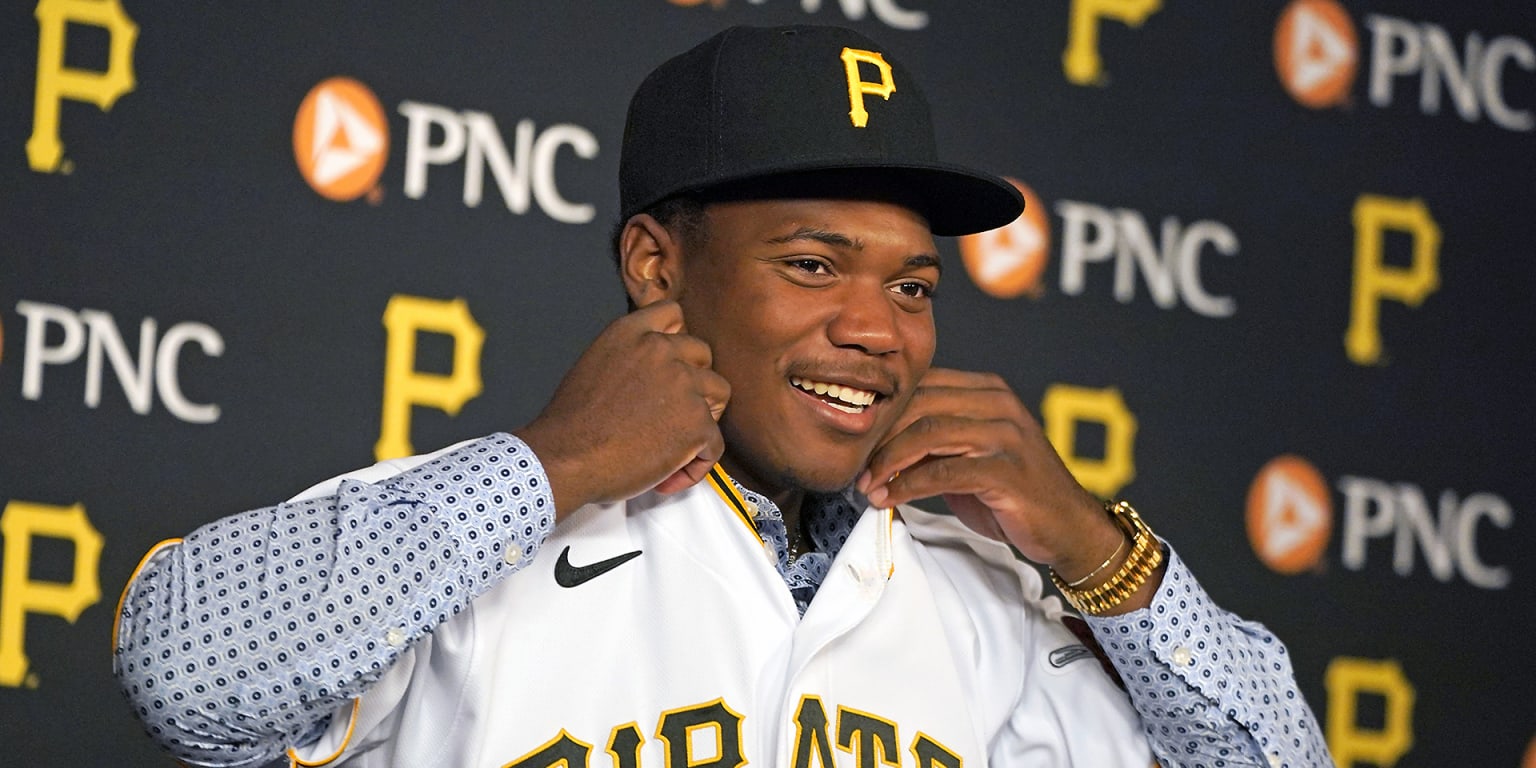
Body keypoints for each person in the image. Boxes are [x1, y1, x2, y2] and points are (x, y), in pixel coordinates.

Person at [115, 24, 1331, 768]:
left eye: (913, 285)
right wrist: (549, 469)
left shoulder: (993, 595)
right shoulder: (458, 539)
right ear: (657, 265)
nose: (875, 327)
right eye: (812, 264)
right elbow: (183, 673)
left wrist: (1090, 547)